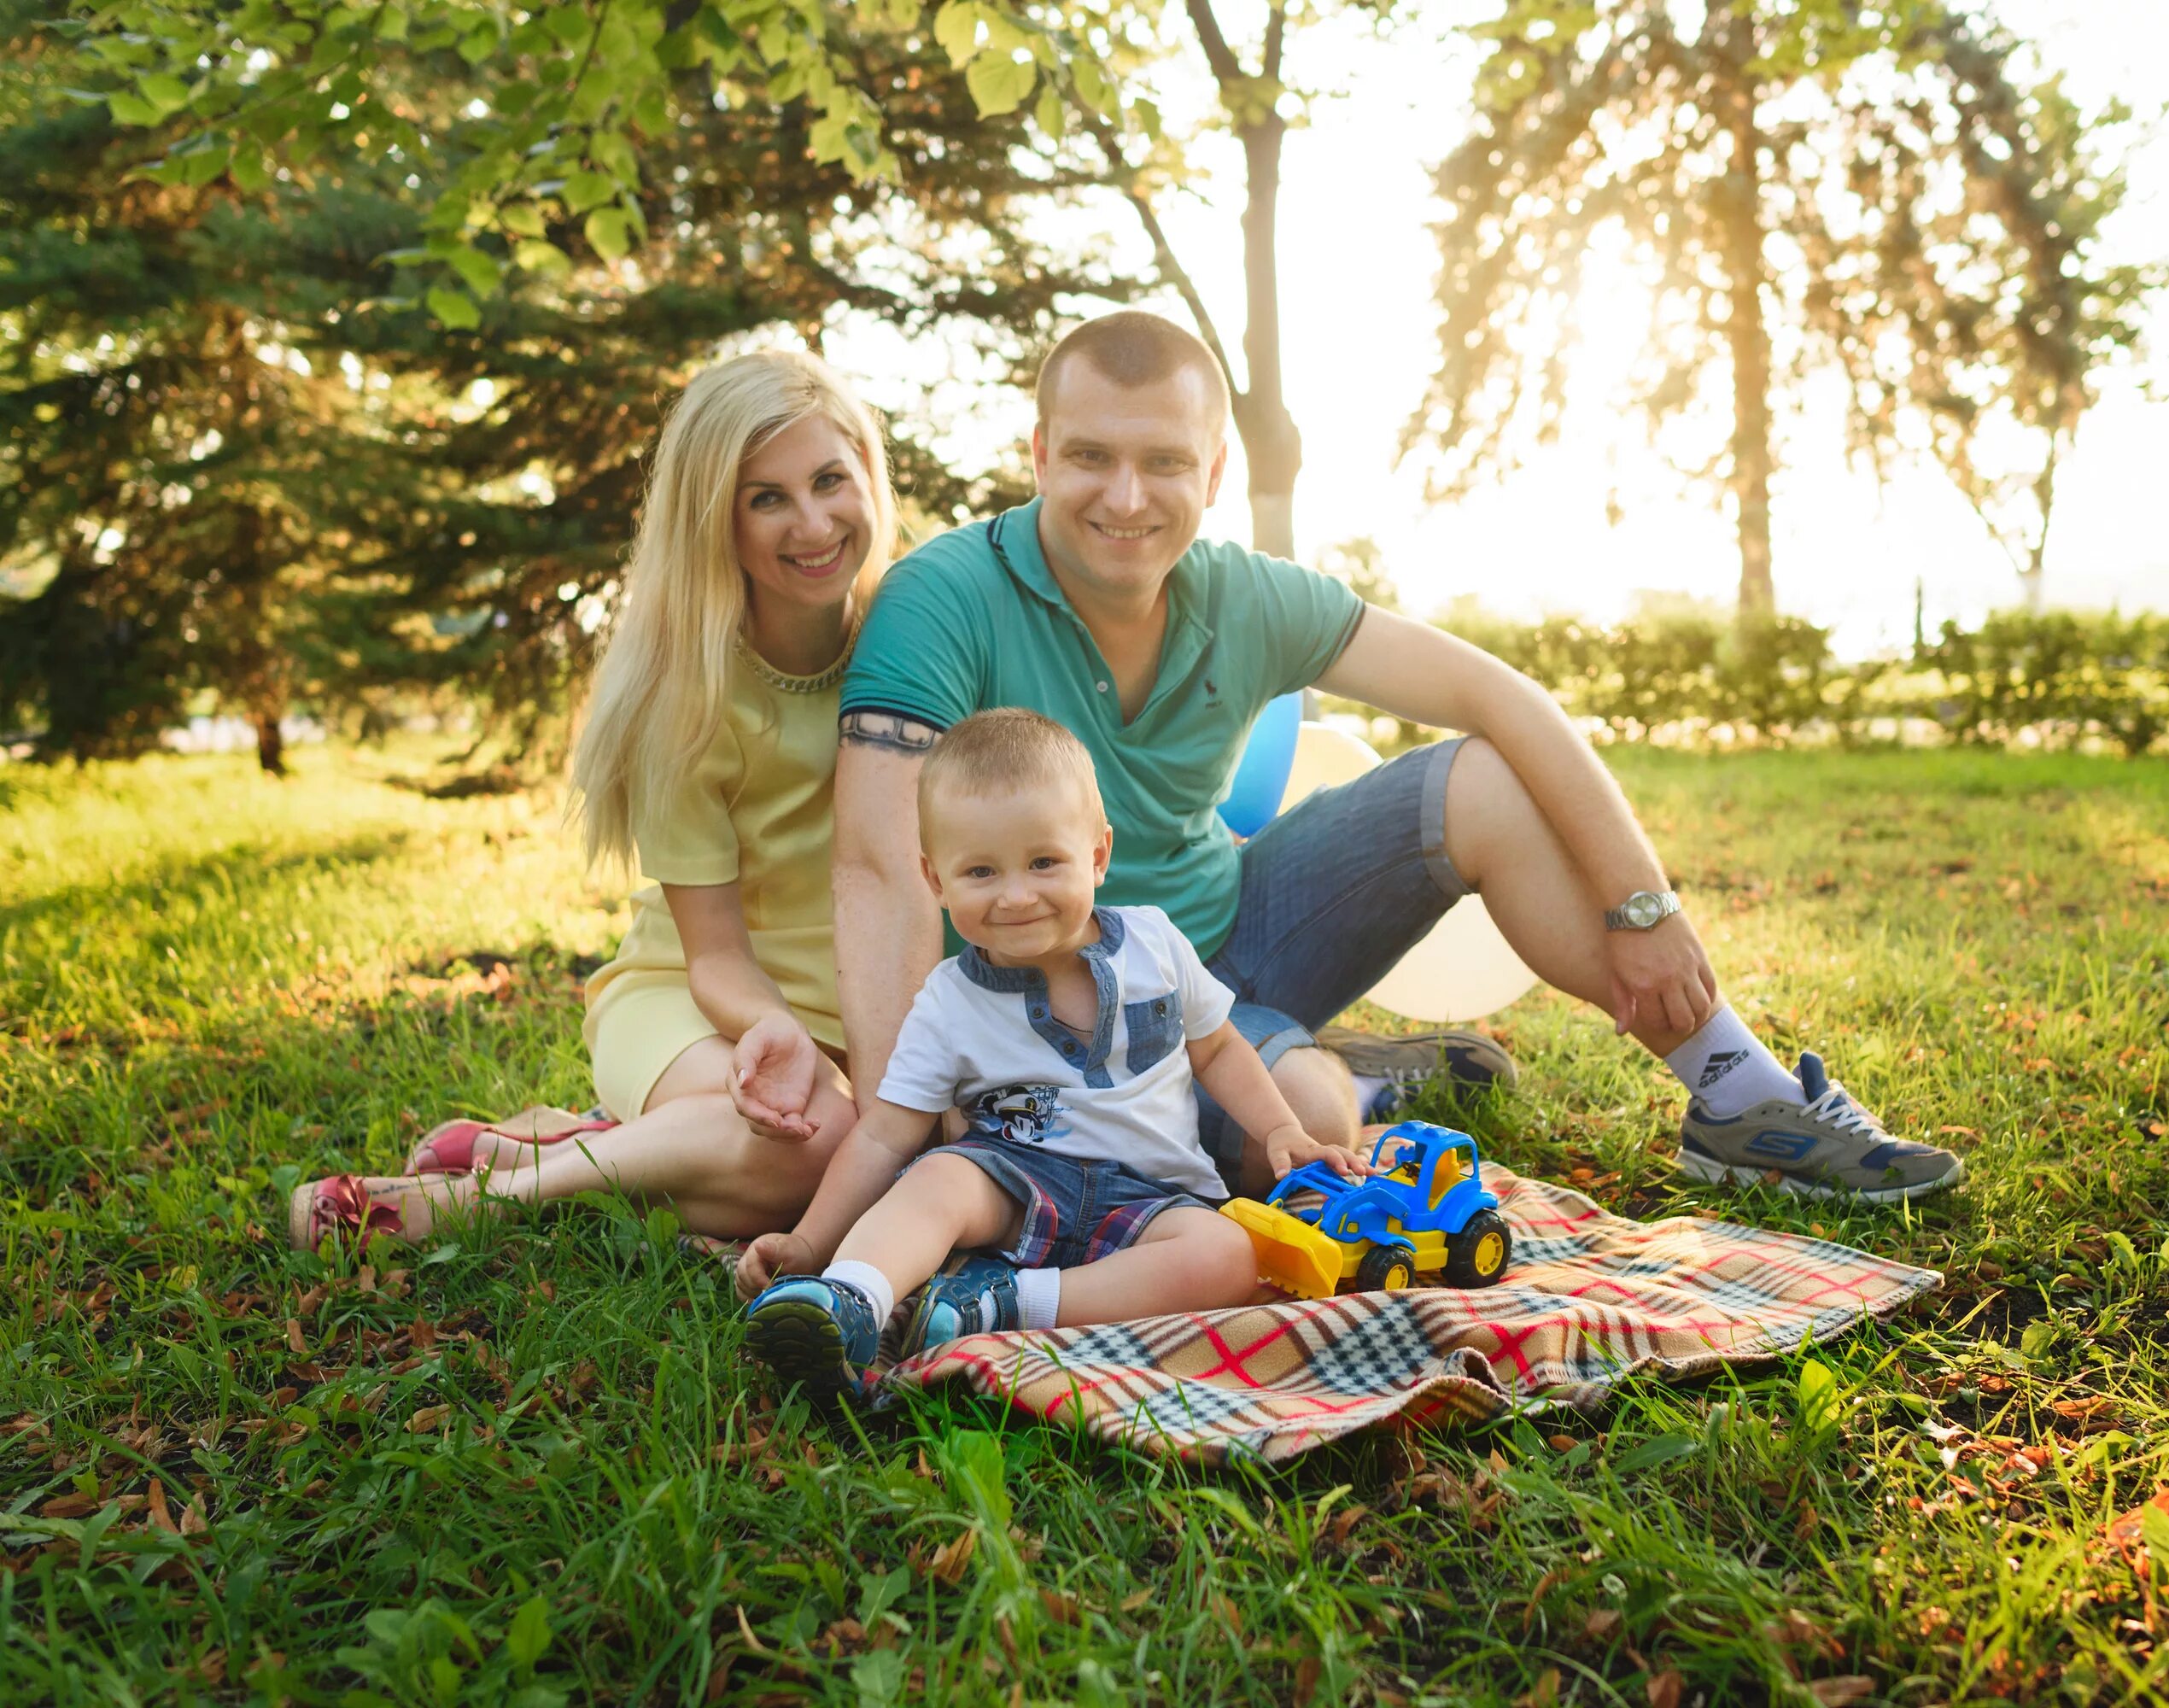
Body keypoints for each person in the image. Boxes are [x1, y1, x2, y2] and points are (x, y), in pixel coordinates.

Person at [802, 309, 1961, 1217]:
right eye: (1091, 456)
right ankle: (1365, 1077)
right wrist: (917, 1123)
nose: (1125, 496)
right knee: (1291, 1135)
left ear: (1211, 477)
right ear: (1040, 452)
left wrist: (1643, 902)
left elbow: (1500, 696)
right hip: (1055, 1004)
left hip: (1242, 939)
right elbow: (875, 868)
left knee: (1483, 775)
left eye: (1164, 463)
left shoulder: (1249, 596)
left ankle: (1741, 1098)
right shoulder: (941, 599)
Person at [286, 348, 889, 1248]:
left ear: (870, 476)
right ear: (713, 520)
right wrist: (779, 1030)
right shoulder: (687, 701)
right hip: (699, 1007)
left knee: (886, 1164)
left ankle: (577, 1147)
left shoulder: (915, 640)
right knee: (831, 1151)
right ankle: (484, 1202)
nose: (813, 522)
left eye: (830, 479)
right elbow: (715, 958)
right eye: (766, 497)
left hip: (857, 1025)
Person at [732, 710, 1367, 1398]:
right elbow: (885, 1136)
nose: (1015, 896)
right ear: (935, 881)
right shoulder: (949, 1000)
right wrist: (808, 1241)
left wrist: (1279, 1128)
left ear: (1097, 855)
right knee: (936, 1181)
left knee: (1228, 1256)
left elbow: (1217, 1049)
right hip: (1010, 1181)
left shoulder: (1154, 946)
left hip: (1151, 1196)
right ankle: (850, 1296)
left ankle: (1005, 1307)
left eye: (1044, 862)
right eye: (980, 871)